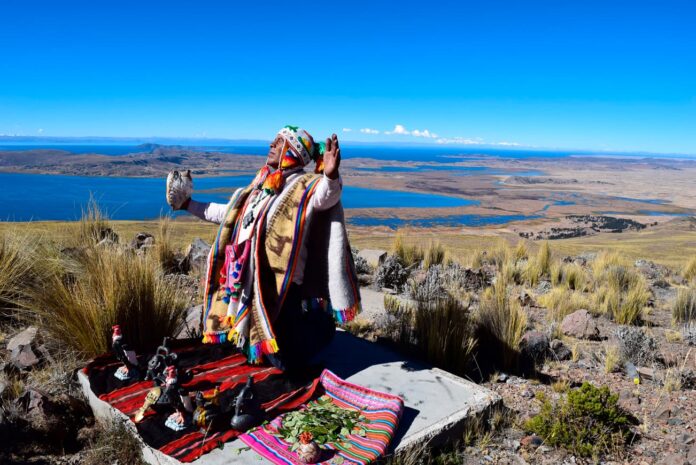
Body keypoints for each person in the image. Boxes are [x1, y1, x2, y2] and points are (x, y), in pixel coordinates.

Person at [166, 126, 361, 371]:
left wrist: (331, 176)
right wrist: (188, 204)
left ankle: (322, 327)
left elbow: (327, 197)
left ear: (293, 151)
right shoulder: (260, 187)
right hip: (248, 281)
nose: (271, 144)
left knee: (284, 361)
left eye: (279, 142)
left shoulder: (305, 186)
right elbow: (227, 214)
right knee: (253, 351)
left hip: (282, 287)